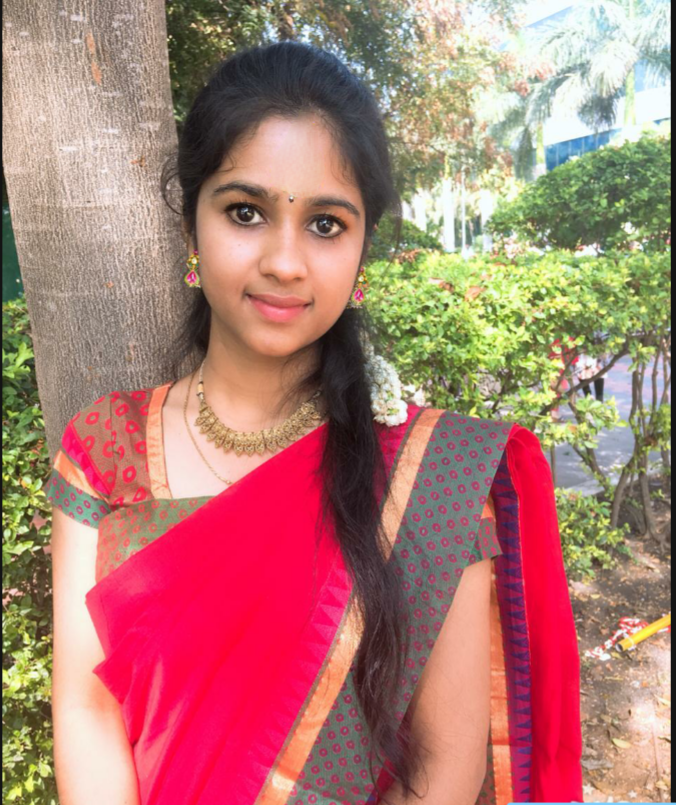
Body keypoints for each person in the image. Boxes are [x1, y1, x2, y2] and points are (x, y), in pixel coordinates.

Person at [46, 41, 583, 805]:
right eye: (245, 212)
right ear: (191, 224)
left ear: (363, 249)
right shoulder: (106, 451)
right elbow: (87, 707)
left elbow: (443, 767)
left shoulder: (428, 479)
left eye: (326, 224)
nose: (286, 261)